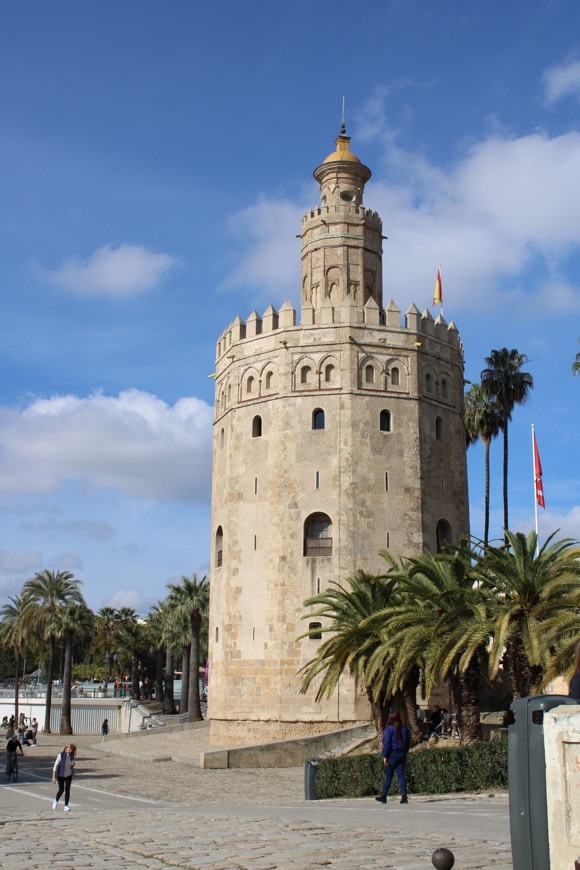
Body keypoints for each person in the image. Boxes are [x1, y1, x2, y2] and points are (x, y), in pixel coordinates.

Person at [375, 712, 410, 805]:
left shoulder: (389, 729)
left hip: (392, 755)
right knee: (401, 776)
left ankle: (384, 796)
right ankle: (404, 797)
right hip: (402, 754)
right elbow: (407, 742)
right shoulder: (404, 729)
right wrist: (404, 752)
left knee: (388, 776)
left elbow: (387, 743)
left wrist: (385, 756)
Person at [52, 743, 77, 812]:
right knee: (61, 790)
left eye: (71, 749)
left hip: (68, 774)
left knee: (67, 790)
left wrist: (73, 764)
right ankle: (56, 801)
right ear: (66, 749)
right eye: (69, 749)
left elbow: (71, 765)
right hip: (60, 775)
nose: (70, 750)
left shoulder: (72, 756)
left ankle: (66, 806)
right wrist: (53, 777)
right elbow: (55, 765)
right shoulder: (61, 755)